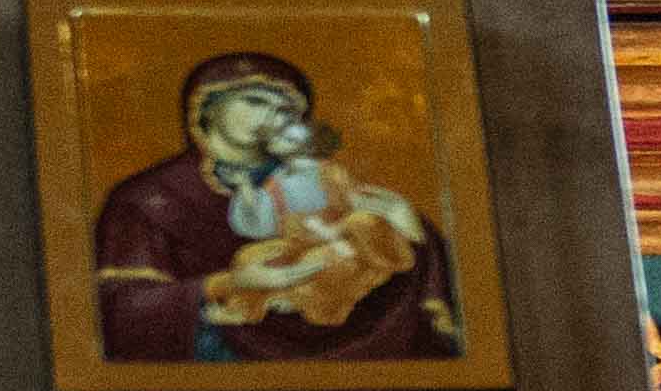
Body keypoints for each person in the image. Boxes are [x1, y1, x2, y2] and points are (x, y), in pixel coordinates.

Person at [89, 52, 459, 366]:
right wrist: (229, 283)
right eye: (254, 102)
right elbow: (122, 314)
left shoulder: (319, 181)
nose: (270, 118)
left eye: (283, 109)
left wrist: (413, 232)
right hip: (224, 357)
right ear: (207, 108)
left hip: (350, 350)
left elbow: (389, 255)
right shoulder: (148, 198)